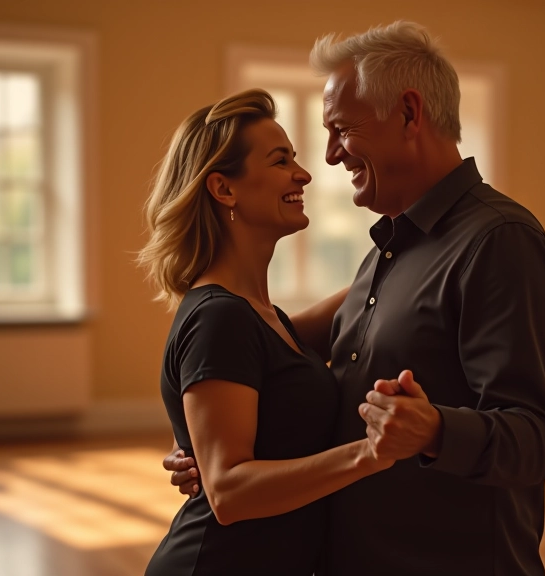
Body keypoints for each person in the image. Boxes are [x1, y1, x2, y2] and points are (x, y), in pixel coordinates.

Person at [164, 21, 545, 576]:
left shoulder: (500, 243)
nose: (329, 157)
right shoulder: (387, 254)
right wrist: (204, 441)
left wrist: (434, 430)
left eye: (341, 129)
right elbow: (256, 357)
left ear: (408, 113)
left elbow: (535, 440)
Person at [137, 89, 401, 576]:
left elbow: (377, 289)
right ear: (224, 189)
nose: (304, 174)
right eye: (281, 161)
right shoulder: (220, 318)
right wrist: (370, 454)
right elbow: (229, 492)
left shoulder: (265, 318)